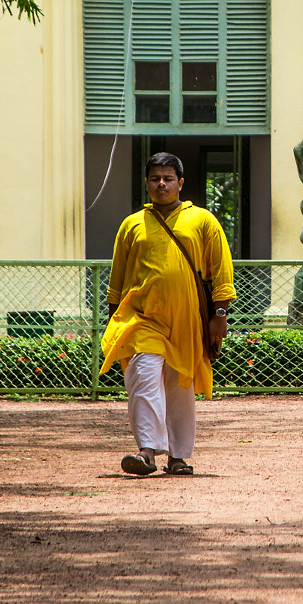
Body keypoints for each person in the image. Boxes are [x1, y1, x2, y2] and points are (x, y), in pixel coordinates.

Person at [98, 152, 234, 476]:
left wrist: (219, 315)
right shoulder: (131, 225)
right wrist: (114, 318)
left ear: (180, 183)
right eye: (155, 178)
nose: (161, 183)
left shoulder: (203, 221)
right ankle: (147, 451)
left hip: (187, 319)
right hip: (143, 317)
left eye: (168, 178)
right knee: (144, 376)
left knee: (179, 385)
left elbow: (221, 270)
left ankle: (179, 457)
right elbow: (117, 279)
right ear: (146, 183)